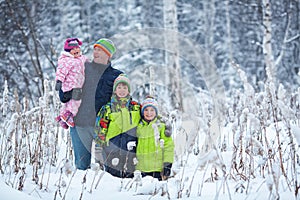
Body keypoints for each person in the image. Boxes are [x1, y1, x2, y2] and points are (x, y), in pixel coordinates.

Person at [59, 38, 123, 170]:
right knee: (81, 166)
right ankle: (82, 189)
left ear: (108, 54)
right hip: (80, 124)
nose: (95, 52)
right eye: (95, 49)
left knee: (107, 168)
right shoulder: (82, 68)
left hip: (105, 128)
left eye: (99, 50)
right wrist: (68, 93)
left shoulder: (116, 75)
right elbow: (63, 94)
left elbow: (124, 100)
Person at [94, 74, 141, 178]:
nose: (122, 90)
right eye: (119, 87)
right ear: (115, 90)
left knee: (131, 173)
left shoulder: (136, 107)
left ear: (129, 90)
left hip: (131, 147)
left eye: (125, 87)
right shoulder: (107, 108)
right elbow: (100, 128)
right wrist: (99, 146)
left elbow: (147, 119)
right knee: (113, 173)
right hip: (112, 147)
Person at [135, 96, 174, 181]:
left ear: (156, 112)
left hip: (157, 170)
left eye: (152, 110)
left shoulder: (161, 126)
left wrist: (167, 164)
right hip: (141, 169)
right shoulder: (139, 127)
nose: (149, 113)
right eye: (146, 110)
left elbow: (168, 146)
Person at [55, 38, 88, 129]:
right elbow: (61, 72)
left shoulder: (82, 58)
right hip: (70, 85)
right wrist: (59, 81)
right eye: (73, 49)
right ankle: (69, 115)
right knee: (76, 101)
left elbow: (88, 65)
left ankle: (62, 118)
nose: (76, 50)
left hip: (78, 83)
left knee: (68, 103)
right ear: (68, 51)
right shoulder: (66, 61)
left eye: (77, 48)